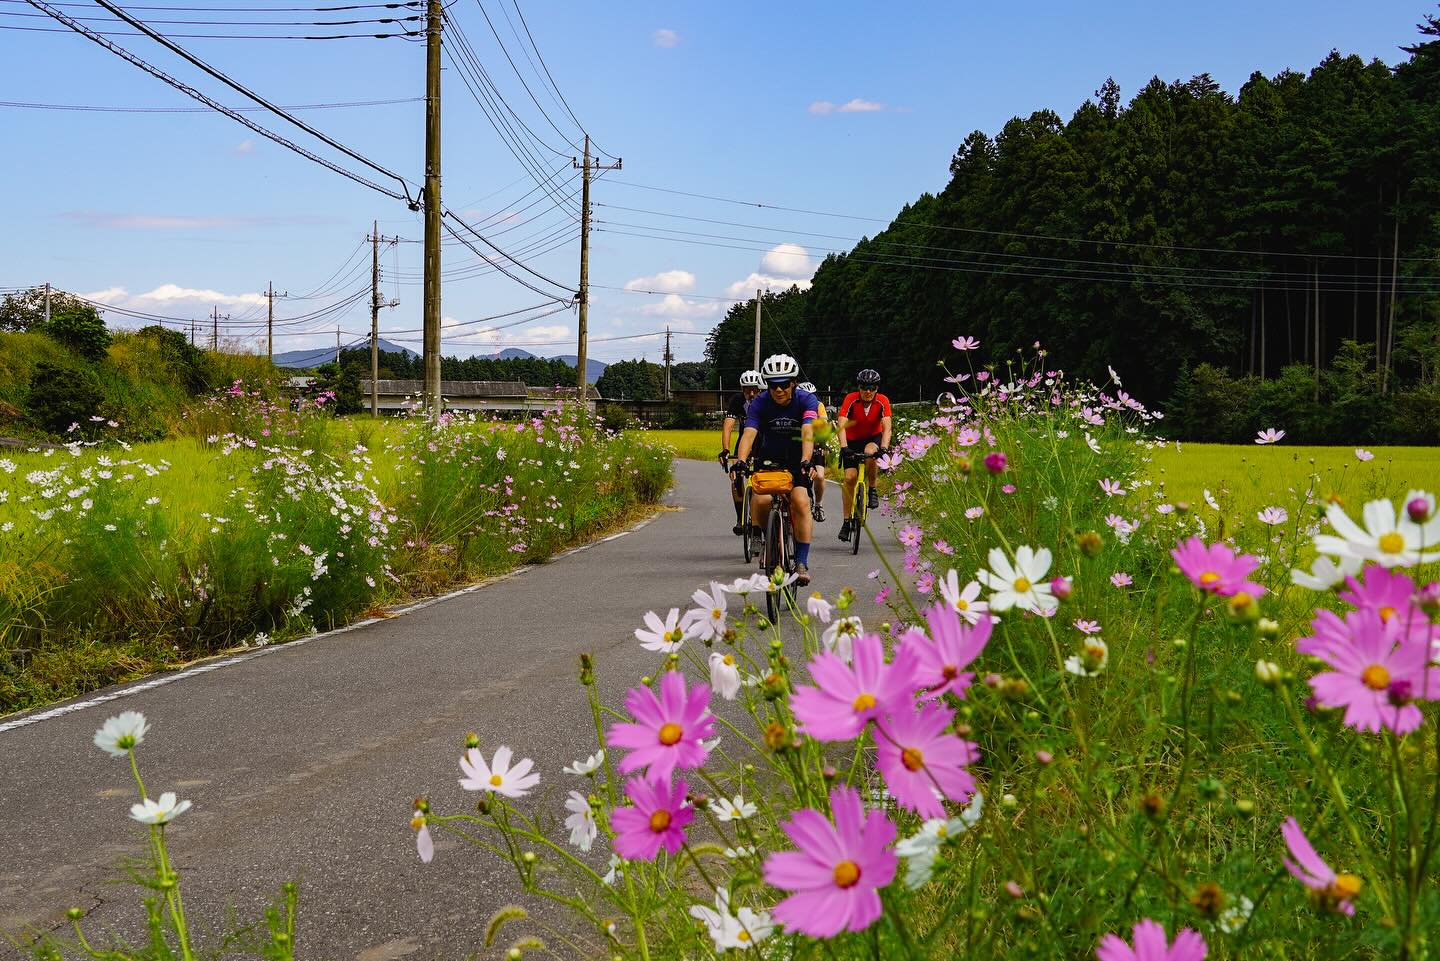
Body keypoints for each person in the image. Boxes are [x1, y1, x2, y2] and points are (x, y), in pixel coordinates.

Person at [730, 353, 817, 586]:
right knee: (760, 501)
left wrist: (807, 460)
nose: (778, 390)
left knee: (800, 501)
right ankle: (767, 539)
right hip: (768, 458)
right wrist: (740, 460)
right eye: (772, 385)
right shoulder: (760, 402)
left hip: (798, 458)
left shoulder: (805, 400)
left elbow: (808, 432)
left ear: (793, 383)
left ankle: (800, 561)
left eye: (783, 384)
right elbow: (749, 434)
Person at [836, 368, 892, 542]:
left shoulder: (882, 401)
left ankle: (873, 488)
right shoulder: (851, 399)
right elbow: (841, 423)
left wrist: (884, 447)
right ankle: (846, 522)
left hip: (872, 438)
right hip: (852, 441)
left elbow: (887, 427)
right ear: (859, 387)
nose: (868, 391)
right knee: (850, 478)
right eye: (864, 387)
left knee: (870, 452)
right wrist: (844, 447)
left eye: (872, 388)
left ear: (877, 388)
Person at [719, 369, 764, 535]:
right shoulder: (737, 400)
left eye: (754, 389)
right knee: (736, 477)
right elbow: (728, 425)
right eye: (746, 389)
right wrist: (725, 449)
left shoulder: (766, 400)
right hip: (744, 442)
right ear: (741, 389)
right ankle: (740, 518)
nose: (751, 393)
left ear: (760, 389)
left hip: (763, 443)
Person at [798, 382, 829, 523]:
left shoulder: (818, 405)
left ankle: (819, 504)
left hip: (816, 443)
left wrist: (823, 445)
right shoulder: (794, 406)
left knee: (820, 477)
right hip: (798, 445)